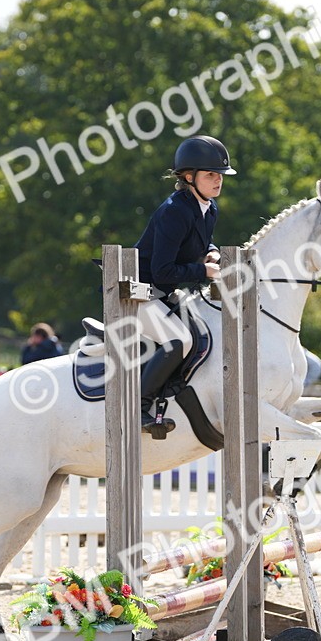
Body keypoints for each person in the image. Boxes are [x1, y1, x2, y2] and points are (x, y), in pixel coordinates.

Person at [131, 134, 233, 437]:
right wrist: (205, 270)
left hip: (163, 293)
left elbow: (200, 242)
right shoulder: (174, 210)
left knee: (204, 332)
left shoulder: (208, 207)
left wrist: (211, 252)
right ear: (189, 177)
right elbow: (162, 270)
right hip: (138, 293)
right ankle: (139, 406)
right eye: (211, 175)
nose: (218, 181)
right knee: (179, 341)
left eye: (220, 176)